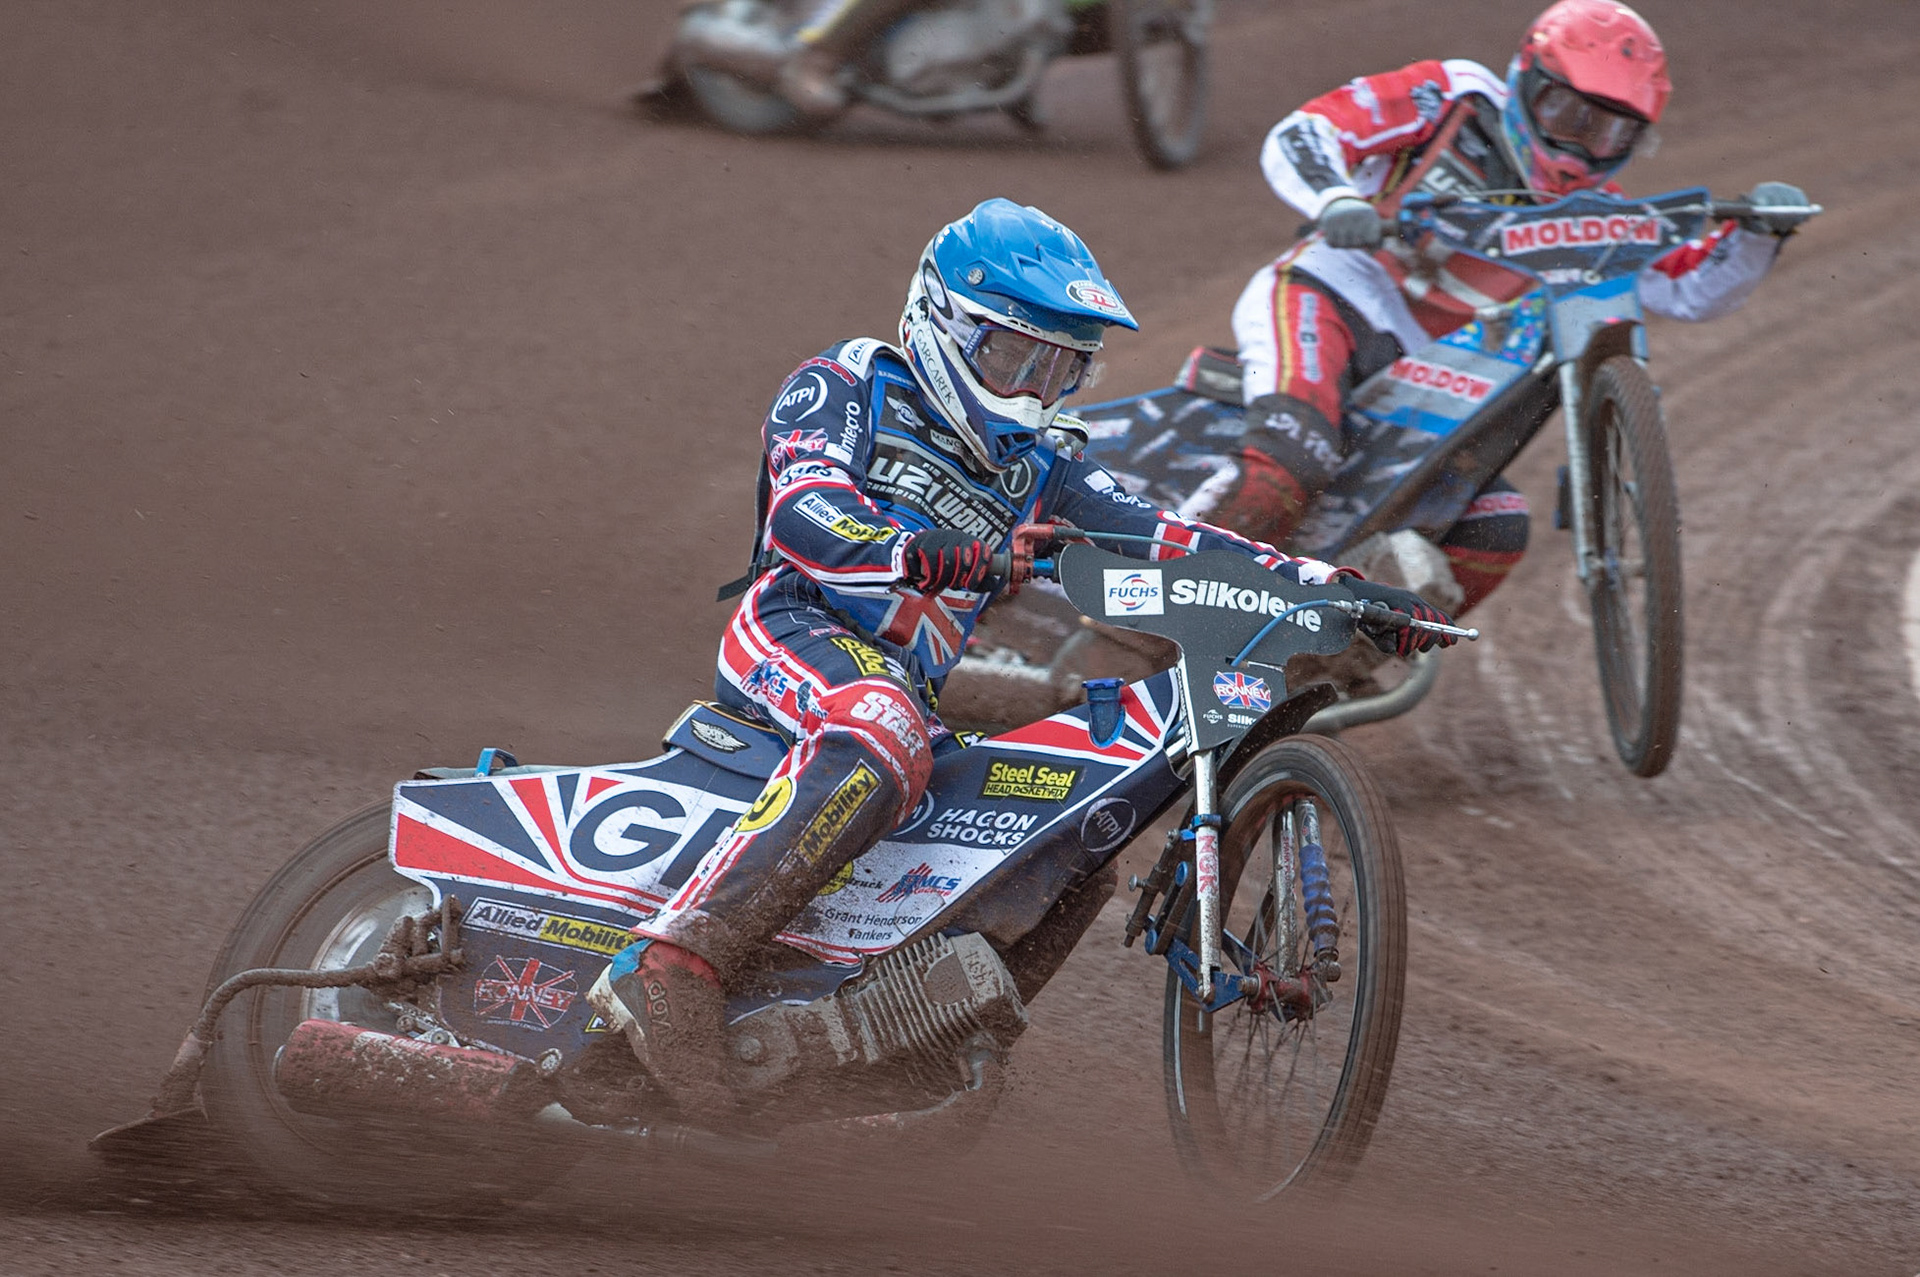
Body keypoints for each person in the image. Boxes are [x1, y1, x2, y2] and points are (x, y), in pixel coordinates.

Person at [588, 198, 1453, 1118]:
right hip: (794, 629)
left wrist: (1338, 588)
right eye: (1017, 358)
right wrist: (913, 552)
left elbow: (1172, 538)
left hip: (906, 691)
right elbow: (804, 512)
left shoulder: (1045, 464)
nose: (1036, 391)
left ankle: (909, 1047)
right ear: (945, 323)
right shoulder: (848, 385)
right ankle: (676, 962)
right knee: (881, 725)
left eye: (1062, 368)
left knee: (1073, 835)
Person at [1205, 0, 1813, 614]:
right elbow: (1309, 131)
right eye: (1566, 114)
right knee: (1288, 462)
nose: (1580, 149)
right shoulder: (1452, 97)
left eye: (1609, 133)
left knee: (1496, 529)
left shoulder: (1594, 215)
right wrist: (1336, 198)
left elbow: (1684, 286)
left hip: (1432, 380)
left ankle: (1324, 670)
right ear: (1528, 79)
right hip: (1329, 299)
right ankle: (1149, 620)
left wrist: (1758, 234)